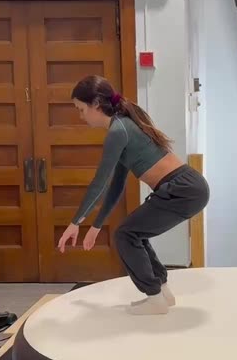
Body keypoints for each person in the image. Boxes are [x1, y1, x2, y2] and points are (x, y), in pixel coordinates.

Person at [57, 75, 210, 315]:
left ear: (96, 104)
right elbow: (115, 185)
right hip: (186, 187)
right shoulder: (123, 126)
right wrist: (96, 226)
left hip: (181, 188)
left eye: (81, 109)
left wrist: (75, 223)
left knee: (126, 235)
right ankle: (161, 292)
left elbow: (99, 183)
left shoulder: (119, 131)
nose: (81, 116)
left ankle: (154, 297)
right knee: (134, 232)